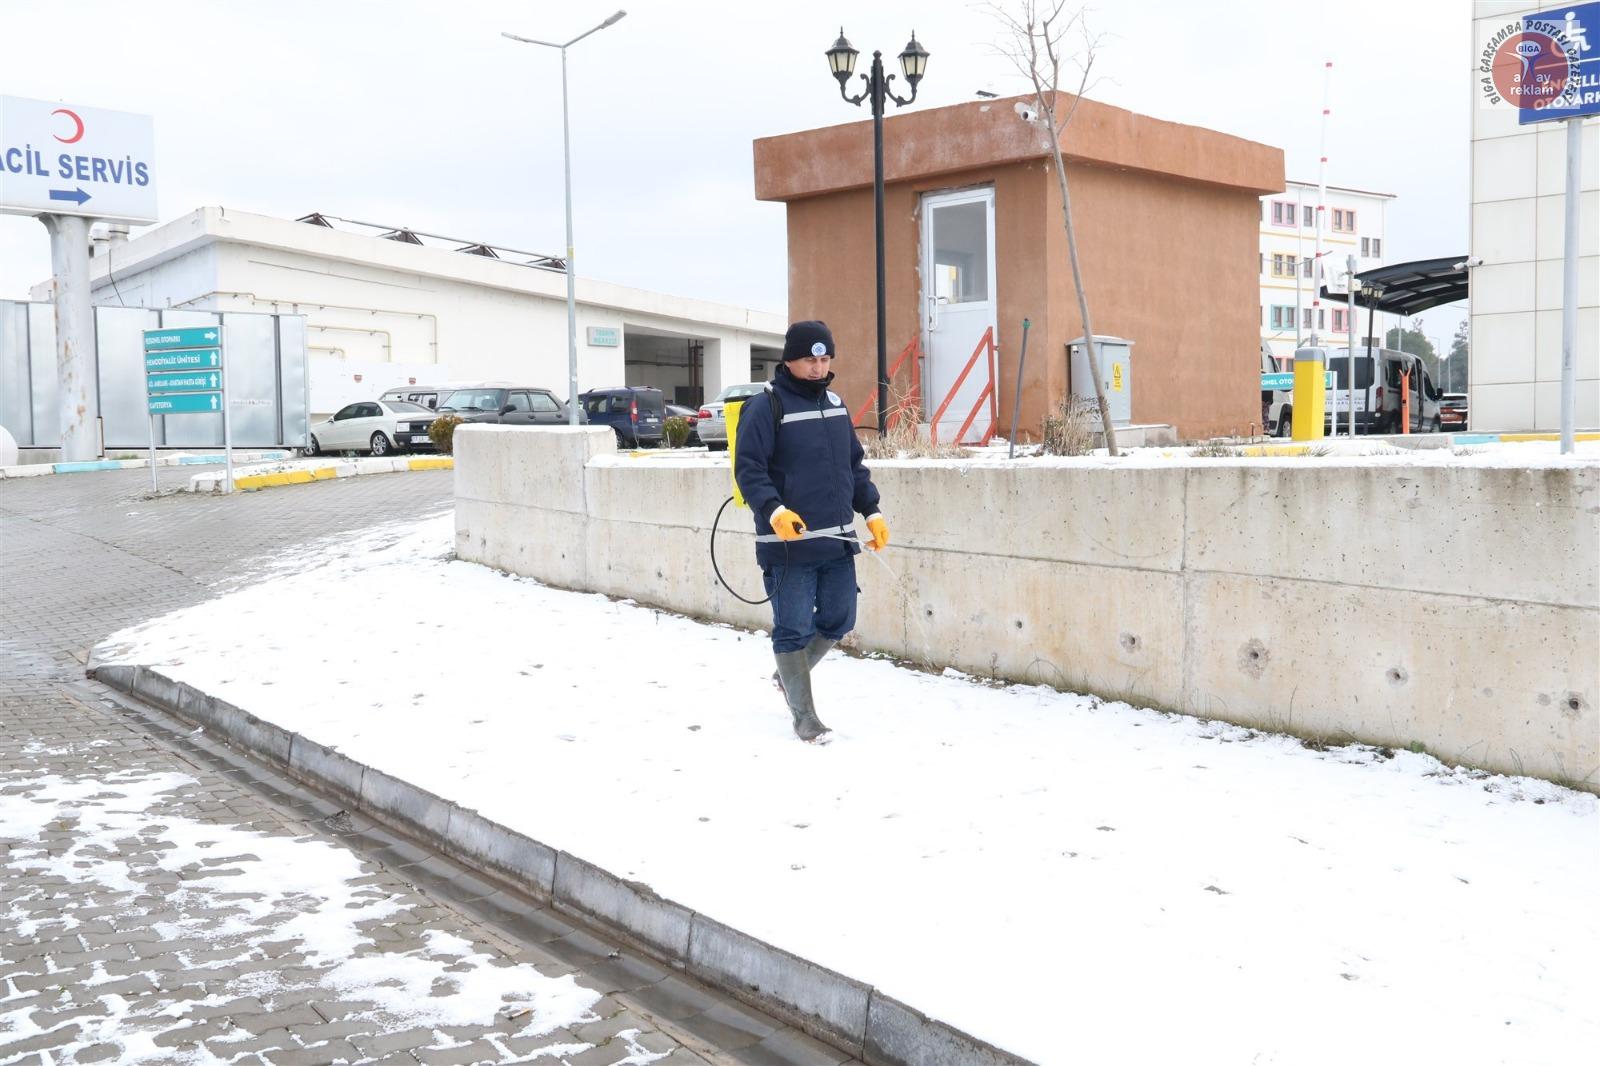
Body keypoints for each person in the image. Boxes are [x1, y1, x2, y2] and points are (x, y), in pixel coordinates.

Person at [734, 320, 889, 743]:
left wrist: (871, 511)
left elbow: (853, 467)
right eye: (809, 360)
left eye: (824, 359)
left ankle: (788, 676)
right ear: (789, 360)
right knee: (793, 628)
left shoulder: (835, 405)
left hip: (837, 541)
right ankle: (805, 716)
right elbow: (749, 469)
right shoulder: (766, 407)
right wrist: (775, 511)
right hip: (788, 544)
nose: (819, 368)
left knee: (840, 617)